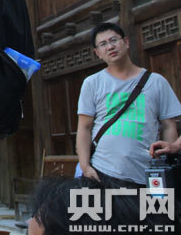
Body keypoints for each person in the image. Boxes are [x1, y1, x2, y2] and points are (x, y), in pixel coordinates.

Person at [76, 22, 181, 187]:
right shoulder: (92, 83)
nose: (110, 46)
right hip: (101, 172)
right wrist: (85, 166)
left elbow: (168, 125)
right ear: (97, 53)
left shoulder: (156, 82)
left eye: (113, 40)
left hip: (145, 173)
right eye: (103, 44)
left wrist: (167, 159)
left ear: (126, 42)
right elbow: (84, 127)